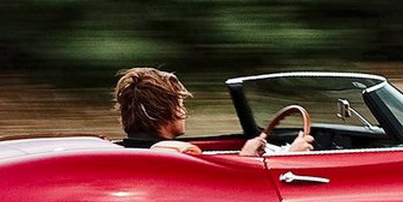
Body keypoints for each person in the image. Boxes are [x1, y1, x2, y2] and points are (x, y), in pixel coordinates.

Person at [113, 67, 312, 156]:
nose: (183, 111)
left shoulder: (123, 150)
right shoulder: (178, 154)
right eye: (180, 104)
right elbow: (222, 192)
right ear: (167, 110)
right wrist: (290, 155)